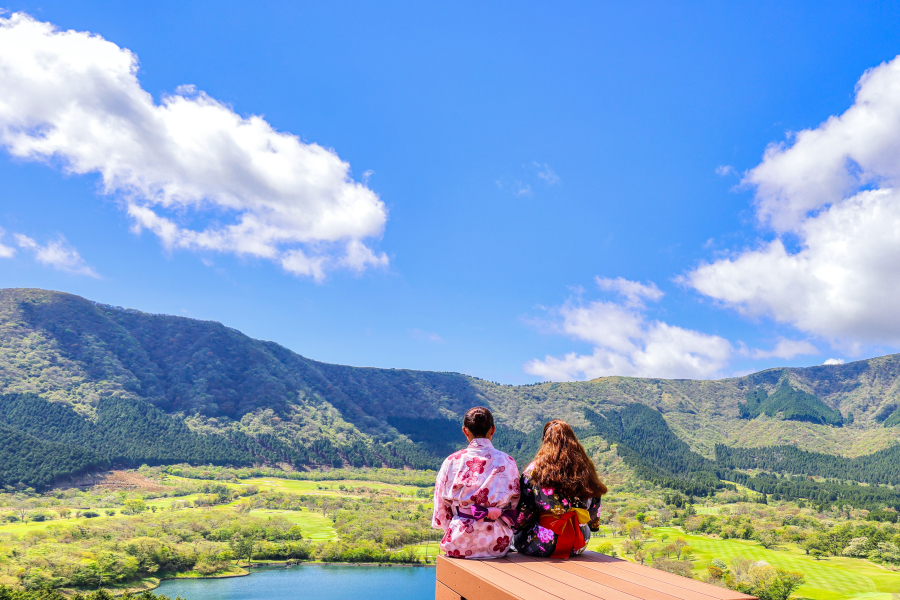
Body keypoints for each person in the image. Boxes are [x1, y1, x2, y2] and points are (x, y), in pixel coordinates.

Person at [432, 406, 520, 558]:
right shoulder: (508, 461)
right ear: (493, 430)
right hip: (499, 543)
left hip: (460, 540)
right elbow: (516, 502)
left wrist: (453, 527)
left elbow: (441, 505)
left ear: (465, 431)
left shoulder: (453, 461)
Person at [513, 419, 607, 558]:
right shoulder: (585, 469)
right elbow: (595, 503)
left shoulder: (535, 471)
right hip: (579, 541)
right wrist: (593, 525)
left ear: (545, 441)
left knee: (514, 541)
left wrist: (517, 527)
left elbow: (525, 510)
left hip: (544, 541)